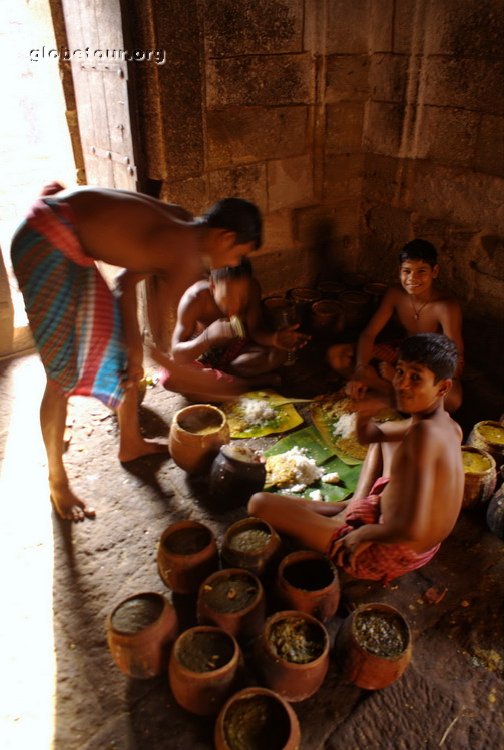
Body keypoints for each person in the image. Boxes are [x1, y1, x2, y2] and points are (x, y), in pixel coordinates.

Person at [11, 183, 262, 521]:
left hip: (68, 238)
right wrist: (223, 386)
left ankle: (131, 443)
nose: (235, 263)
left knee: (123, 357)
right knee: (59, 376)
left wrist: (133, 346)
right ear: (226, 238)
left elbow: (125, 284)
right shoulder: (184, 255)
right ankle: (56, 479)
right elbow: (164, 356)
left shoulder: (185, 224)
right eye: (239, 254)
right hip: (45, 240)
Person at [248, 333, 464, 585]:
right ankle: (349, 508)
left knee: (259, 504)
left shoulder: (423, 438)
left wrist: (363, 535)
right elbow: (372, 436)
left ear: (443, 387)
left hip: (392, 548)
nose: (402, 384)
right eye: (400, 372)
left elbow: (413, 529)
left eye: (416, 377)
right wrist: (365, 411)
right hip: (410, 535)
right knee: (387, 437)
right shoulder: (446, 425)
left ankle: (345, 518)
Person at [327, 240, 464, 412]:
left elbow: (455, 358)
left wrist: (402, 377)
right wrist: (361, 368)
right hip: (401, 352)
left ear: (434, 271)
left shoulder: (445, 306)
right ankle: (393, 392)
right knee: (337, 354)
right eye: (407, 271)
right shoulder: (395, 294)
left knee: (453, 399)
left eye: (421, 271)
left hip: (429, 363)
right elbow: (369, 335)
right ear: (400, 271)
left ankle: (382, 388)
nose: (412, 278)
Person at [156, 257, 309, 400]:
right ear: (212, 286)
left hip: (237, 357)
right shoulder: (194, 299)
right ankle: (251, 384)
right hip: (203, 361)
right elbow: (177, 355)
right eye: (229, 296)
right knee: (169, 377)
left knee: (280, 353)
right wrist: (207, 337)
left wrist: (275, 339)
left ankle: (224, 385)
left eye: (242, 296)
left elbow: (256, 331)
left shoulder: (252, 288)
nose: (237, 304)